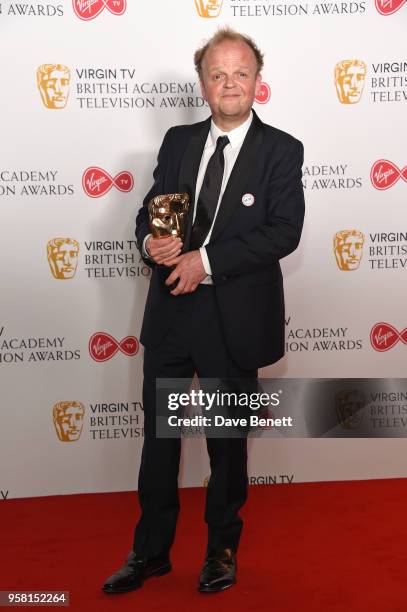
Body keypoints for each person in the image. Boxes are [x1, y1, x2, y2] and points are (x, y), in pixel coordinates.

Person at [103, 27, 305, 595]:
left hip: (232, 319)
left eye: (240, 73)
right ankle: (150, 553)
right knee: (159, 443)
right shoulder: (177, 140)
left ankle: (221, 552)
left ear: (257, 82)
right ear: (203, 84)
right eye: (218, 74)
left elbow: (284, 232)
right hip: (170, 311)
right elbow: (150, 210)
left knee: (224, 444)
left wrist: (206, 261)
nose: (229, 83)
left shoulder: (282, 150)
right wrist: (152, 244)